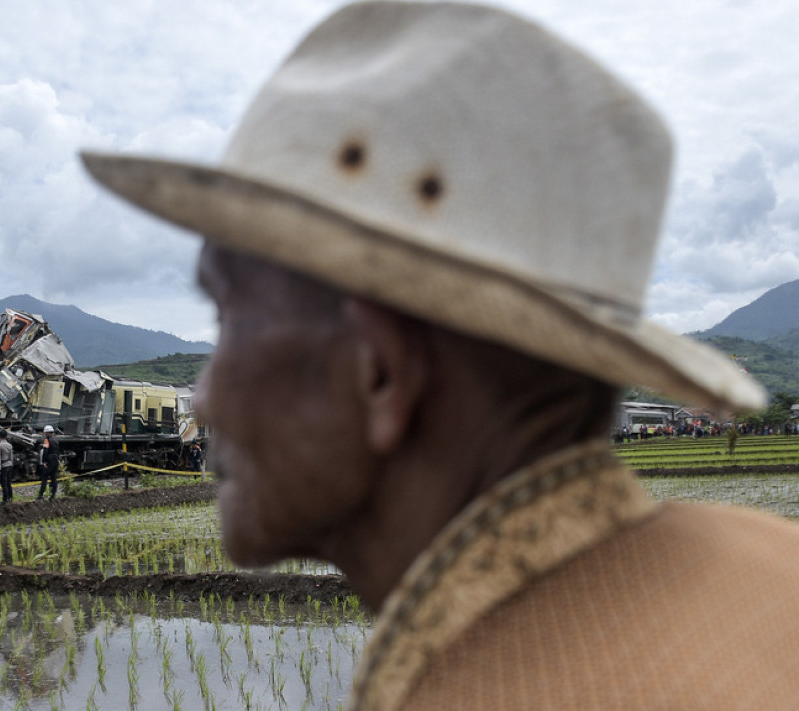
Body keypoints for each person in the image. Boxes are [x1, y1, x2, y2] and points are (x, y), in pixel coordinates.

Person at [80, 3, 799, 708]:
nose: (202, 399)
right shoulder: (771, 561)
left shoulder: (476, 688)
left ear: (380, 371)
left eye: (225, 315)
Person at [36, 425, 59, 501]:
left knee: (44, 478)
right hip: (55, 460)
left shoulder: (47, 440)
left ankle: (41, 495)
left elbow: (45, 451)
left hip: (49, 461)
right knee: (54, 478)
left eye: (45, 433)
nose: (44, 434)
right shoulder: (56, 440)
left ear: (47, 433)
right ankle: (53, 495)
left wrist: (44, 461)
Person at [0, 428, 14, 504]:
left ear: (0, 436)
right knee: (9, 482)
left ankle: (5, 499)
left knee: (4, 483)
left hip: (3, 465)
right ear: (6, 436)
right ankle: (10, 497)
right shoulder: (10, 445)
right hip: (9, 464)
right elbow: (11, 457)